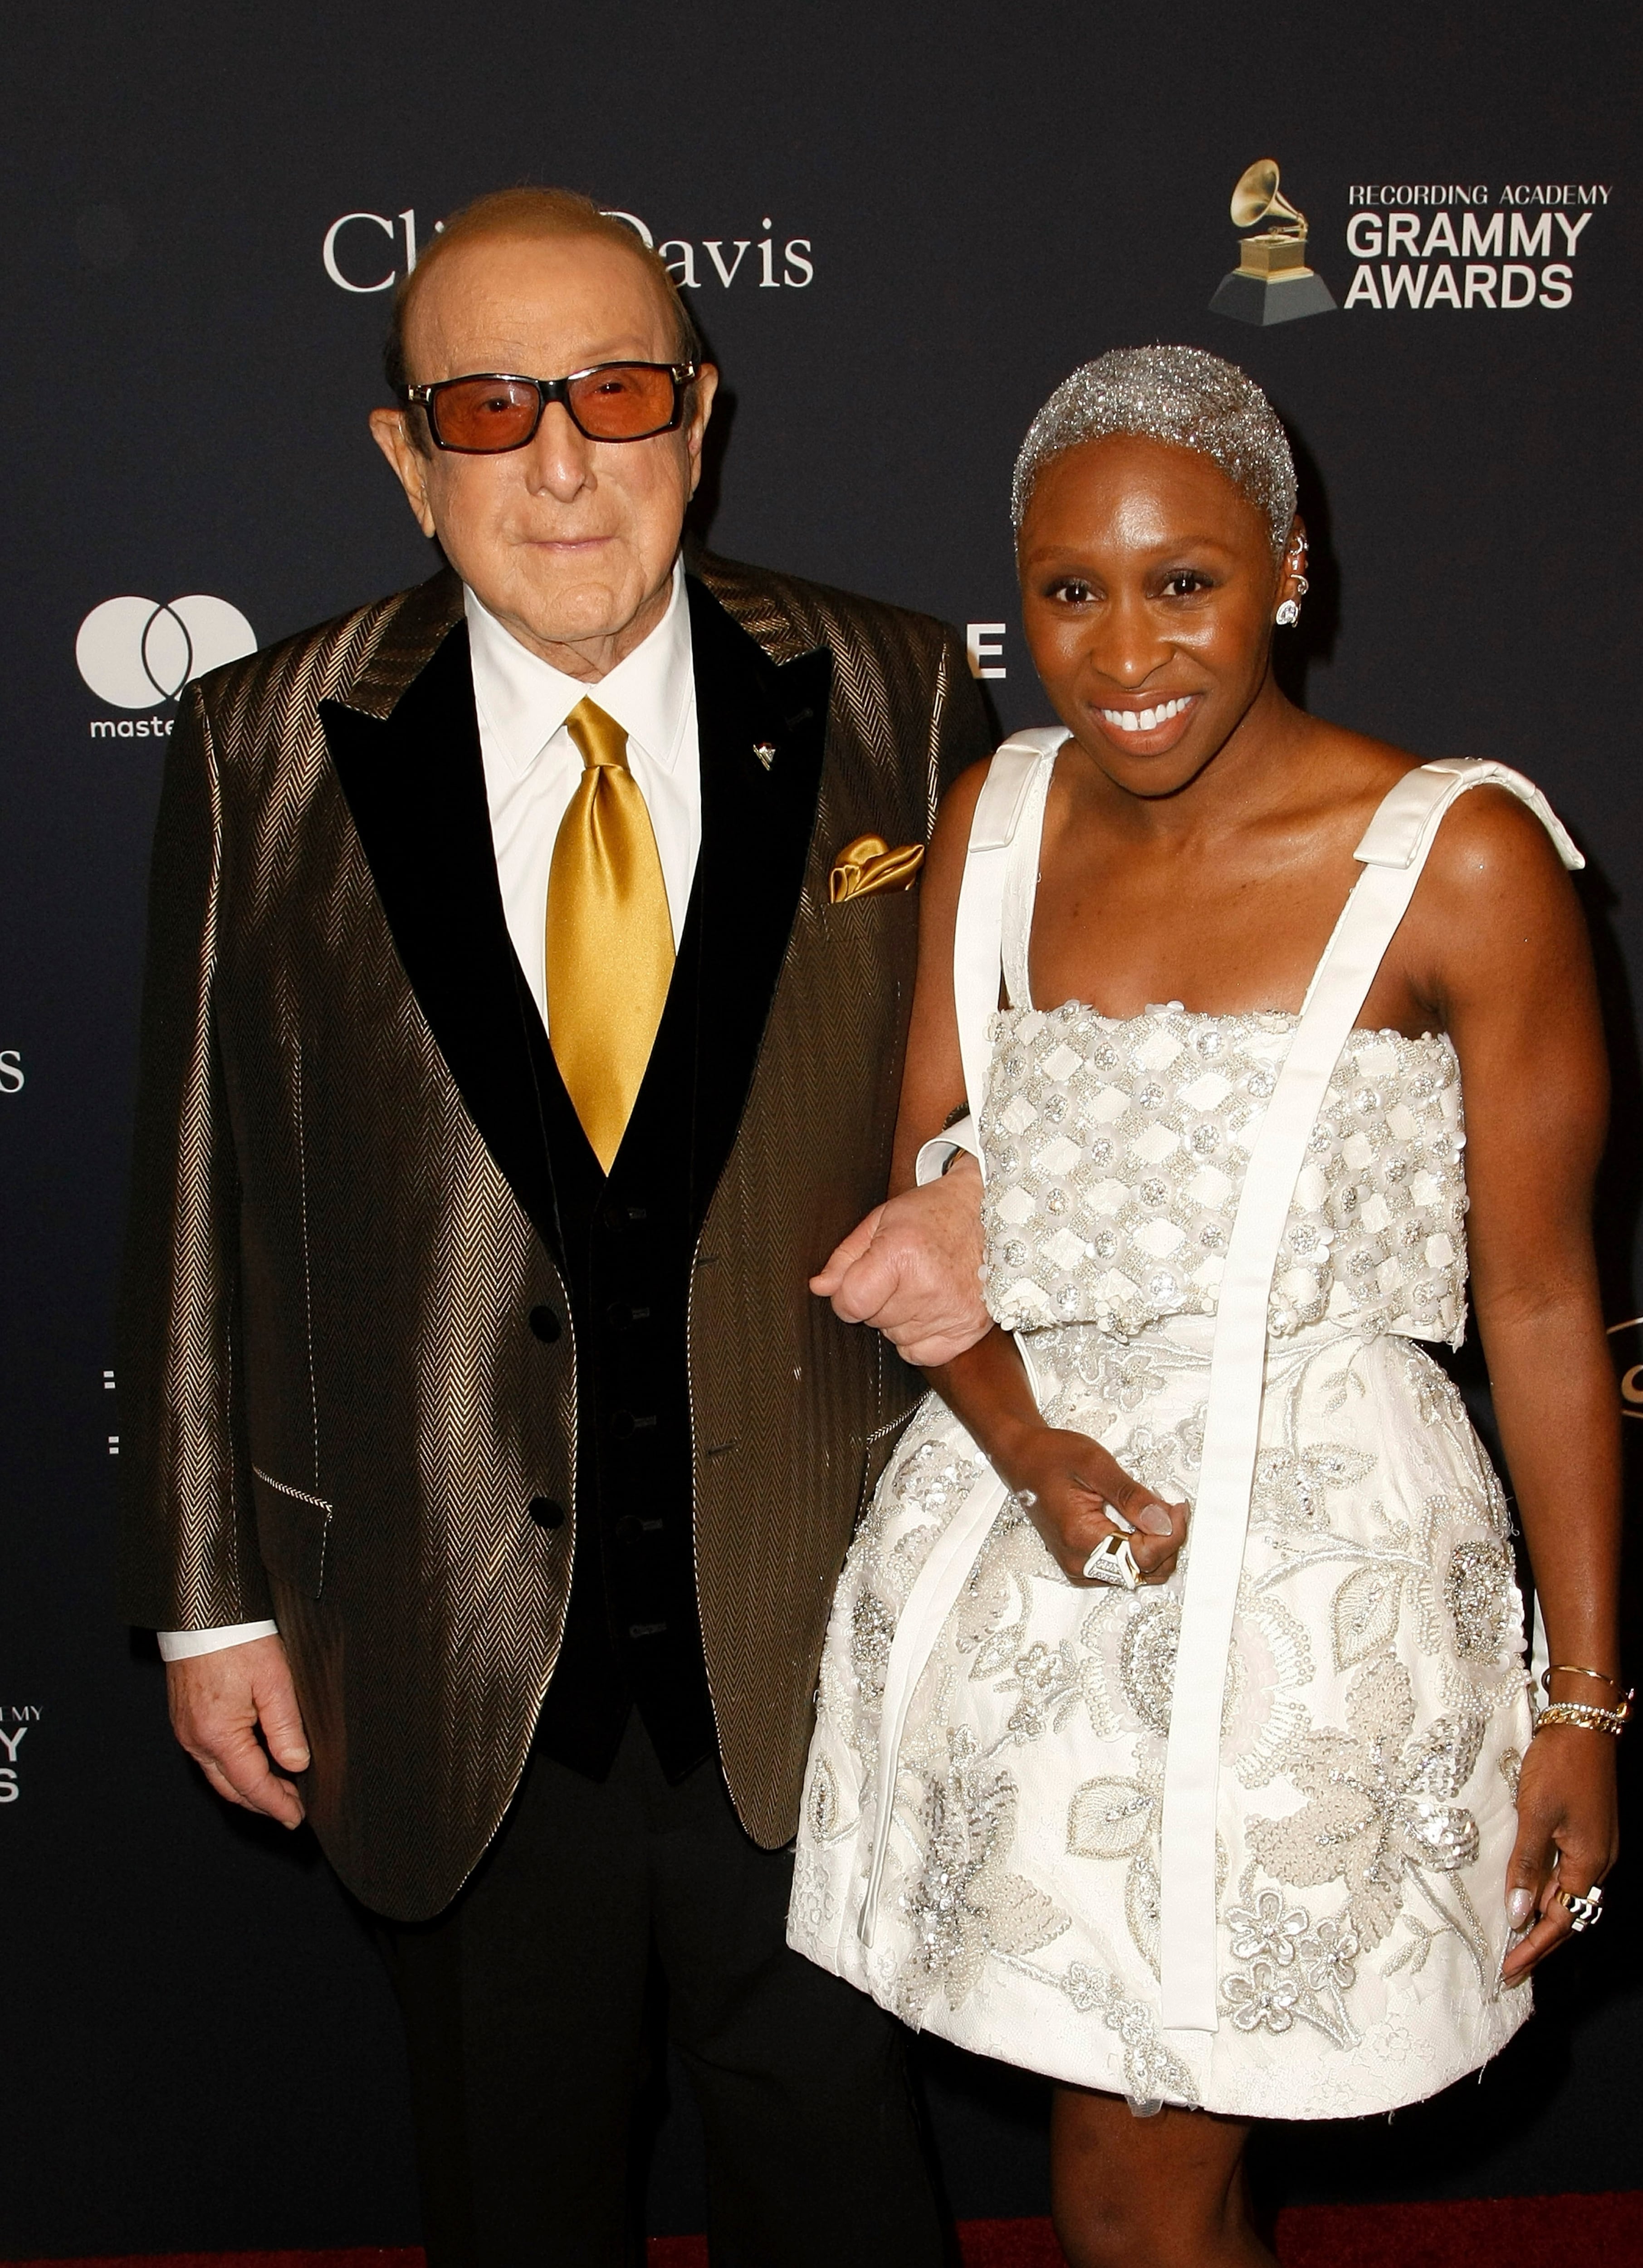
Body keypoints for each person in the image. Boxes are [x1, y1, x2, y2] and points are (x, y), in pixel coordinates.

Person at [116, 186, 993, 2268]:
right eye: (492, 410)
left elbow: (1029, 1070)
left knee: (845, 2187)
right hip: (441, 1644)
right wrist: (206, 1600)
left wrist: (979, 1198)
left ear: (700, 414)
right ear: (406, 458)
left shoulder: (896, 692)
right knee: (516, 2203)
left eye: (613, 392)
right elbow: (193, 1190)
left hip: (824, 1635)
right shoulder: (268, 742)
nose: (566, 463)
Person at [792, 347, 1624, 2268]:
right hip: (1028, 1569)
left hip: (1314, 1609)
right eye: (1071, 590)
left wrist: (1579, 1703)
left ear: (1291, 569)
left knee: (1145, 2160)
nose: (1126, 647)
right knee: (1136, 2147)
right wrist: (1030, 1449)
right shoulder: (992, 826)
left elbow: (1548, 1299)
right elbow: (936, 1229)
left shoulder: (1463, 859)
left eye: (1187, 583)